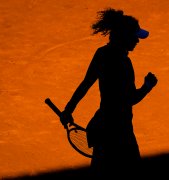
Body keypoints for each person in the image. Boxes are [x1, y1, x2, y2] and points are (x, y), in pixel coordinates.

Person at [60, 8, 158, 178]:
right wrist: (147, 86)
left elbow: (85, 84)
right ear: (124, 37)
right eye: (135, 36)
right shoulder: (124, 63)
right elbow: (129, 99)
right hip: (120, 133)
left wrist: (68, 110)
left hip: (102, 128)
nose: (137, 41)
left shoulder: (102, 54)